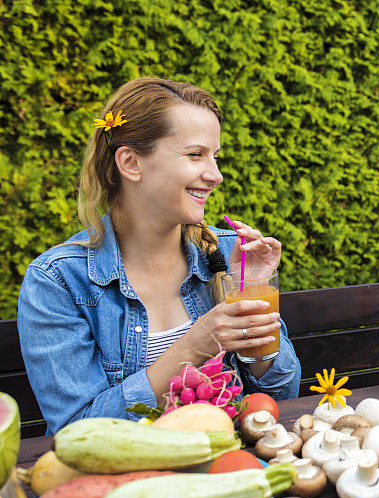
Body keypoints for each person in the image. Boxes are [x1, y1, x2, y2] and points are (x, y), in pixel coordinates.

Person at [17, 77, 300, 433]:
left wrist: (252, 294)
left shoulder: (227, 254)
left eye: (215, 157)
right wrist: (194, 347)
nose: (216, 175)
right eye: (195, 154)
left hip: (228, 460)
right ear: (131, 163)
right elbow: (78, 431)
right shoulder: (58, 281)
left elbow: (280, 394)